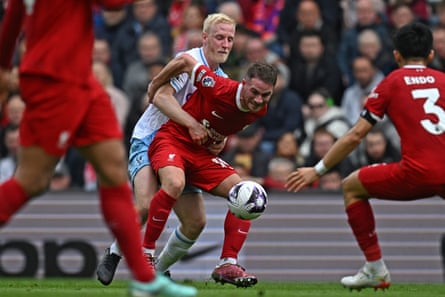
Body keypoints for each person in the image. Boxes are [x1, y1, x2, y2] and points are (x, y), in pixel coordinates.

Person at [0, 1, 196, 297]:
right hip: (52, 81)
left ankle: (144, 280)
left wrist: (3, 67)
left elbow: (13, 19)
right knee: (32, 180)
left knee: (112, 171)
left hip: (81, 81)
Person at [96, 13, 262, 288]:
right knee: (145, 205)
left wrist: (217, 137)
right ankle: (115, 252)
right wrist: (193, 124)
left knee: (196, 222)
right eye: (220, 37)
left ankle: (158, 270)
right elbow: (160, 96)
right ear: (205, 38)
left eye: (230, 39)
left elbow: (217, 122)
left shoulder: (221, 78)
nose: (225, 44)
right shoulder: (189, 62)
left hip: (185, 148)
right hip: (150, 138)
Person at [286, 22, 445, 291]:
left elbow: (354, 136)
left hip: (418, 172)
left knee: (351, 186)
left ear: (396, 55)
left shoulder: (390, 83)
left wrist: (318, 170)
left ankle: (375, 268)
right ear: (431, 55)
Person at [143, 53, 276, 286]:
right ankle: (146, 253)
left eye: (265, 95)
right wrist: (156, 83)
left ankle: (227, 263)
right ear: (243, 83)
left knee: (245, 192)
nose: (258, 99)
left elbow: (221, 121)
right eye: (254, 92)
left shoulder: (260, 110)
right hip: (172, 140)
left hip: (200, 155)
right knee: (174, 183)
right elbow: (185, 61)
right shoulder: (219, 86)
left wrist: (220, 137)